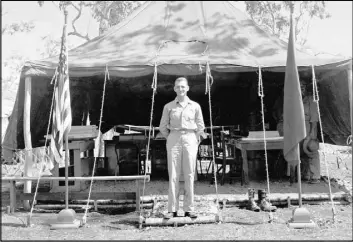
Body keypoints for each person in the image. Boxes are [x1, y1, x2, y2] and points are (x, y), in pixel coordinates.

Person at [159, 77, 206, 219]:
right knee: (173, 174)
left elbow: (201, 126)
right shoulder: (168, 106)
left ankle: (189, 209)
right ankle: (172, 209)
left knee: (189, 174)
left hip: (190, 138)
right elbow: (162, 126)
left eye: (183, 87)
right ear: (174, 89)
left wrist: (194, 140)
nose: (181, 89)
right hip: (174, 138)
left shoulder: (195, 106)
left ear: (188, 88)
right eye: (178, 87)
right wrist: (171, 137)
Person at [273, 81, 320, 184]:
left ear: (306, 88)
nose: (301, 89)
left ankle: (315, 176)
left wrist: (311, 134)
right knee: (298, 151)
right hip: (296, 129)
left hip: (308, 128)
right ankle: (303, 175)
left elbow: (314, 119)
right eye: (299, 87)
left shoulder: (311, 100)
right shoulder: (293, 100)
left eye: (303, 87)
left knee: (311, 150)